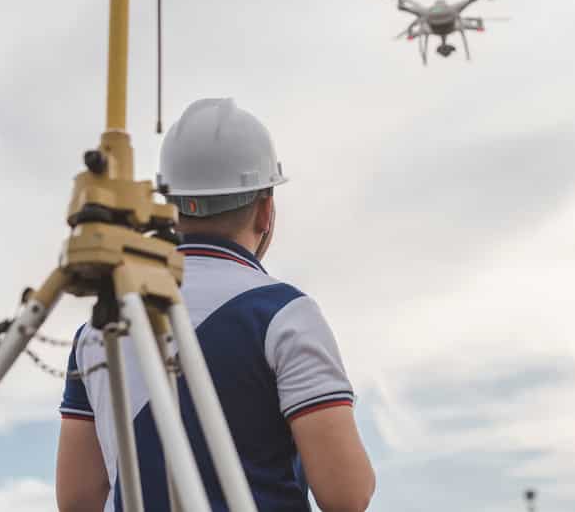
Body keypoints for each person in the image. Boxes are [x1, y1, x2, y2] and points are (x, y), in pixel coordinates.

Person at [56, 98, 375, 512]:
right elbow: (346, 494)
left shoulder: (100, 329)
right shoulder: (284, 314)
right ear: (265, 209)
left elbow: (78, 499)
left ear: (169, 208)